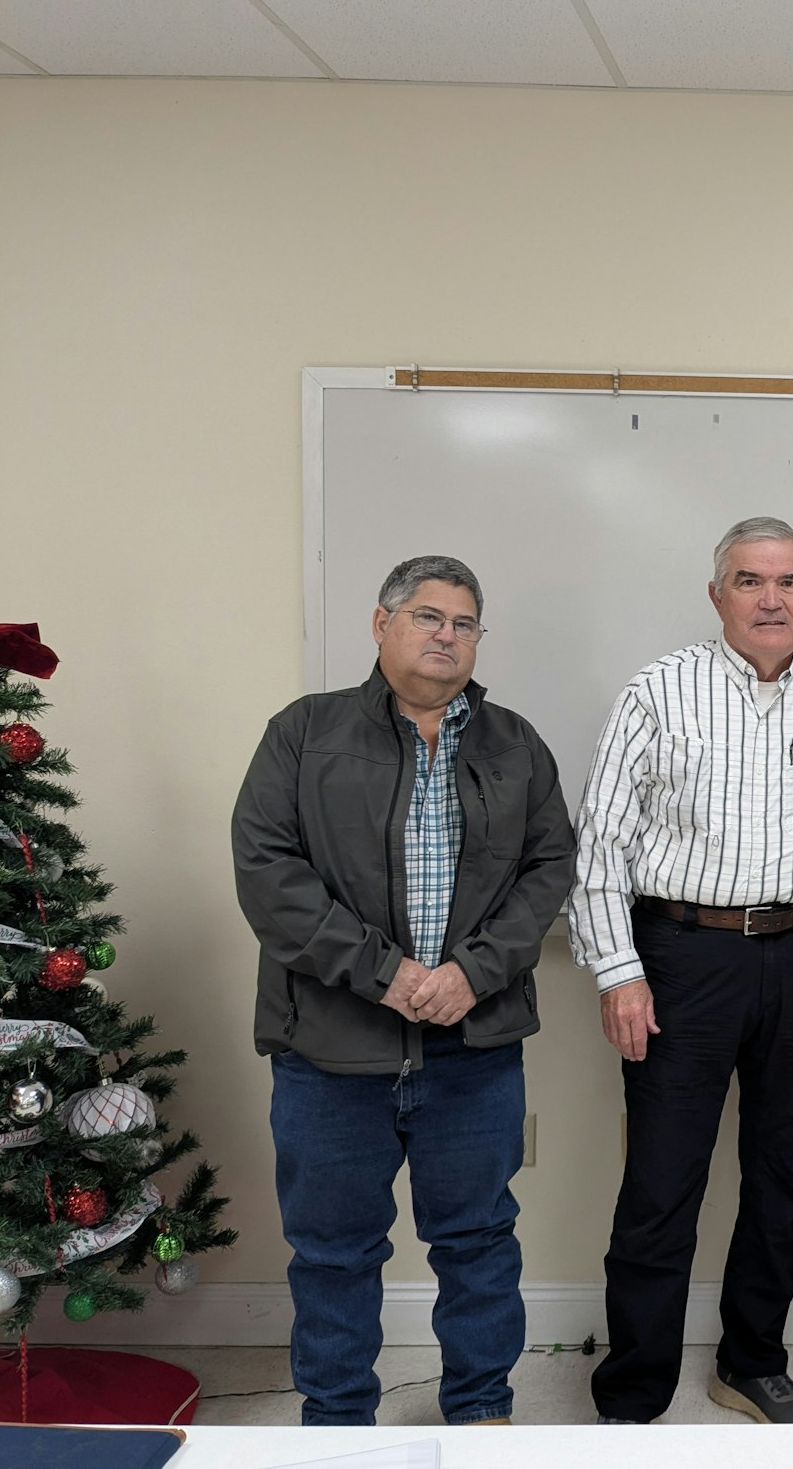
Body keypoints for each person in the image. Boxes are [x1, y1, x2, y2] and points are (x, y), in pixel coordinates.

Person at [233, 555, 575, 1426]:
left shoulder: (517, 743)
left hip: (475, 1051)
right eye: (427, 617)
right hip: (330, 1052)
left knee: (479, 1244)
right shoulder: (303, 734)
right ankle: (338, 1426)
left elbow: (548, 870)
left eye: (464, 624)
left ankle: (480, 1416)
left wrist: (473, 974)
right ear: (380, 624)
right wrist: (389, 975)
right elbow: (270, 876)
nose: (446, 637)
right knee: (334, 1254)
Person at [569, 517, 793, 1426]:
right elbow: (603, 841)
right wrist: (618, 972)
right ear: (718, 596)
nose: (771, 598)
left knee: (788, 1176)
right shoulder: (658, 691)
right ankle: (633, 1391)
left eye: (788, 582)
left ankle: (752, 1361)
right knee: (663, 1183)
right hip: (682, 959)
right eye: (749, 581)